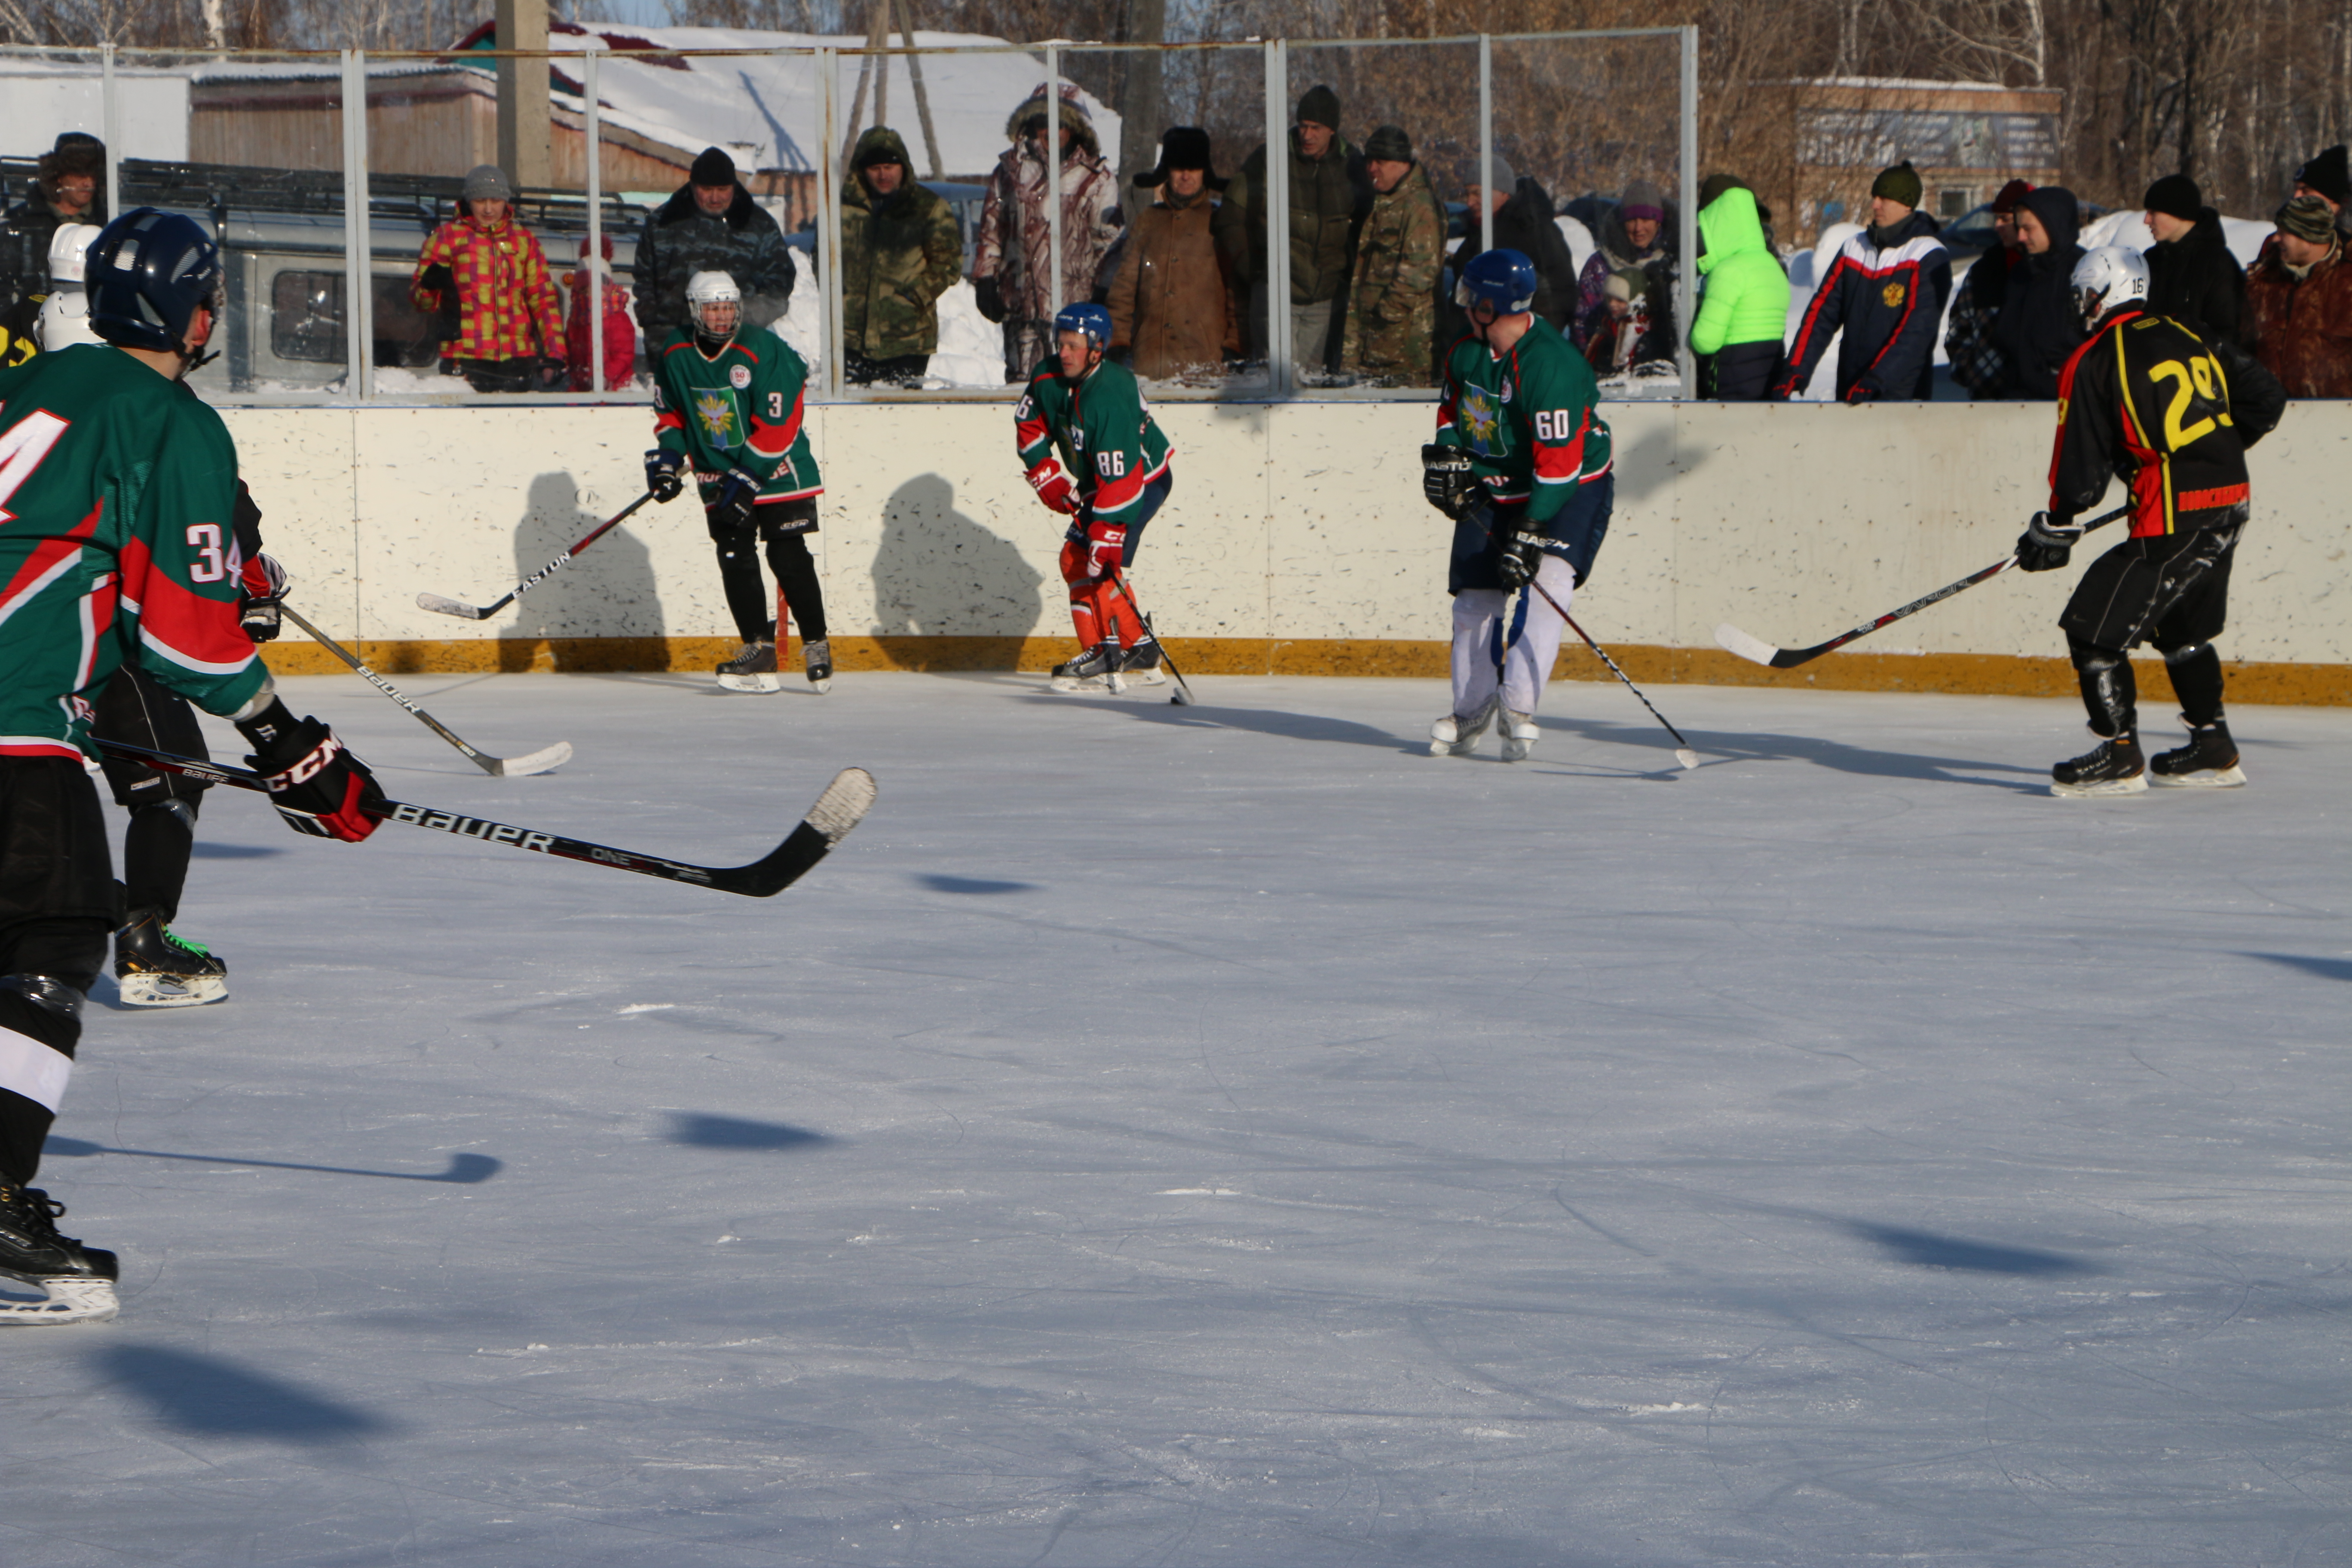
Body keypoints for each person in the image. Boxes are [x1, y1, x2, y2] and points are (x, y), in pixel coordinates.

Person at [0, 208, 384, 1323]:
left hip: (30, 706)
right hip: (15, 728)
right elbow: (182, 639)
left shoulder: (39, 386)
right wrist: (287, 744)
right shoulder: (174, 422)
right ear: (198, 310)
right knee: (60, 930)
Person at [2013, 245, 2285, 797]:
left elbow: (2079, 469)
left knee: (2093, 628)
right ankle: (2212, 747)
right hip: (2230, 498)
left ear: (2101, 293)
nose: (2081, 306)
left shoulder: (2093, 356)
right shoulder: (2188, 331)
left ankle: (2119, 753)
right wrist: (2211, 453)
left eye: (2084, 295)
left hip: (2177, 514)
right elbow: (2265, 399)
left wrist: (2055, 525)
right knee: (2183, 630)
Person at [1419, 248, 1614, 764]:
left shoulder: (1551, 367)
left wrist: (1529, 530)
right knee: (1475, 598)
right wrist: (1448, 458)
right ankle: (1472, 709)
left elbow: (1559, 467)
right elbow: (1451, 408)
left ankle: (1518, 708)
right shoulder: (1467, 351)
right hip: (1497, 483)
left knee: (1547, 583)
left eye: (1470, 299)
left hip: (1570, 485)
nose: (1462, 306)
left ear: (1490, 305)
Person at [645, 272, 830, 693]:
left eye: (727, 306)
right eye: (712, 307)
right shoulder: (676, 353)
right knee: (734, 554)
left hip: (778, 470)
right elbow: (672, 415)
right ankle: (758, 647)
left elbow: (780, 423)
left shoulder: (763, 349)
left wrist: (748, 477)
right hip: (719, 471)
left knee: (787, 556)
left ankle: (816, 642)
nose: (721, 315)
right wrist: (668, 461)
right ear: (695, 310)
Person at [1013, 302, 1175, 692]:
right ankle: (1137, 645)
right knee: (1088, 559)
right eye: (1060, 343)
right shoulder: (1047, 376)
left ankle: (1103, 654)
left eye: (1073, 346)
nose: (1063, 353)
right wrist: (1044, 473)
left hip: (1140, 483)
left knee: (1086, 558)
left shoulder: (1110, 396)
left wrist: (1108, 531)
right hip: (1103, 482)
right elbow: (1029, 423)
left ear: (1097, 349)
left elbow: (1122, 481)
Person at [1216, 85, 1369, 379]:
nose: (1307, 135)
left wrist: (1346, 272)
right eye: (1303, 126)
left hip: (1325, 297)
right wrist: (1254, 269)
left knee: (1310, 389)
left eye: (1316, 128)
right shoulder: (1269, 159)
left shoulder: (1352, 165)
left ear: (1332, 130)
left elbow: (1364, 225)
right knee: (1274, 383)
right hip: (1276, 293)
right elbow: (1231, 216)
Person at [972, 84, 1121, 384]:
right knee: (1025, 397)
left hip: (1075, 315)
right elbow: (992, 230)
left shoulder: (1096, 178)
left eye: (1060, 124)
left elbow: (1109, 244)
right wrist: (986, 279)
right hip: (1022, 311)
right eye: (1043, 123)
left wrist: (1104, 294)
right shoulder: (1009, 172)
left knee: (1075, 397)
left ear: (1075, 127)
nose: (1050, 132)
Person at [1772, 160, 1948, 401]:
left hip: (1900, 397)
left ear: (1906, 204)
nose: (1875, 205)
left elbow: (1916, 332)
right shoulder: (1854, 247)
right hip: (1852, 389)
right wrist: (1796, 368)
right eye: (1875, 197)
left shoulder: (1927, 254)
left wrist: (1877, 380)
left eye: (1884, 199)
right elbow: (1823, 313)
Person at [409, 165, 567, 393]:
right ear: (469, 200)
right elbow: (420, 304)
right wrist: (429, 285)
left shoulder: (524, 241)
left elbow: (543, 300)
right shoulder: (447, 238)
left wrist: (555, 354)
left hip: (518, 357)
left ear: (506, 201)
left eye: (496, 201)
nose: (489, 209)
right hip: (464, 357)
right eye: (481, 201)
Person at [631, 147, 797, 354]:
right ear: (693, 186)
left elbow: (780, 283)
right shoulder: (663, 223)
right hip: (673, 342)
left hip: (738, 345)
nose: (715, 197)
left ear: (734, 187)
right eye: (707, 189)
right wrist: (653, 320)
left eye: (723, 189)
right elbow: (644, 278)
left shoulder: (758, 225)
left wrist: (741, 319)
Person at [1109, 127, 1240, 383]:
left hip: (1205, 362)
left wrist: (1234, 344)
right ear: (1167, 171)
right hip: (1150, 363)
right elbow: (1123, 288)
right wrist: (1119, 337)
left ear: (1205, 172)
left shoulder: (1222, 221)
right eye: (1179, 168)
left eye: (1194, 169)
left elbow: (1238, 291)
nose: (1186, 176)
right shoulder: (1148, 220)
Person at [839, 126, 962, 388]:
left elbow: (948, 263)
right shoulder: (843, 211)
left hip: (907, 337)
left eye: (889, 167)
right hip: (851, 336)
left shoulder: (928, 208)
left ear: (903, 167)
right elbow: (823, 257)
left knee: (900, 414)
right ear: (862, 170)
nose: (883, 175)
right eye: (875, 168)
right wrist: (841, 294)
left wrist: (914, 296)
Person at [1340, 125, 1445, 386]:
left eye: (1381, 161)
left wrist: (1385, 318)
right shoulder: (1384, 201)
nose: (1372, 168)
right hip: (1373, 345)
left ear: (1402, 164)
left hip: (1400, 351)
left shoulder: (1418, 205)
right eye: (1370, 161)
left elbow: (1419, 272)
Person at [1451, 155, 1579, 333]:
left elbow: (1561, 291)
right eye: (1467, 194)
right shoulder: (1476, 234)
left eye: (1477, 193)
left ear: (1503, 193)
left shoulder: (1533, 229)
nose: (1469, 202)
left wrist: (1535, 339)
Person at [0, 132, 104, 352]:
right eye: (78, 173)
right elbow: (3, 289)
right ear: (58, 175)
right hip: (26, 343)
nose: (88, 182)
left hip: (94, 341)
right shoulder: (19, 224)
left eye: (93, 173)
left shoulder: (110, 226)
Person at [2244, 196, 2352, 399]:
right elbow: (2242, 350)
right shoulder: (2262, 280)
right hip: (2274, 418)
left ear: (2310, 238)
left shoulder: (2346, 283)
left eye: (2284, 232)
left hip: (2340, 421)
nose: (2276, 238)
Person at [1689, 182, 1788, 400]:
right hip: (1771, 379)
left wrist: (1689, 332)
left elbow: (1706, 341)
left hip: (1734, 380)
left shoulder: (1728, 271)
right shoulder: (1773, 266)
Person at [1990, 186, 2086, 398]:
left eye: (2028, 229)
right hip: (2018, 401)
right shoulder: (2022, 273)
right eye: (2019, 228)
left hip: (2067, 404)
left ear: (2054, 225)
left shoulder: (2085, 273)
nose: (2021, 237)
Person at [1945, 178, 2034, 398]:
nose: (1997, 226)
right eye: (1996, 218)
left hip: (2039, 401)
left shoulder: (2048, 270)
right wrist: (1971, 372)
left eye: (2004, 219)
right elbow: (1959, 327)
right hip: (1987, 400)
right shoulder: (1984, 270)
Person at [1571, 178, 1678, 360]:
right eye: (1631, 220)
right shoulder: (1599, 266)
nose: (1638, 228)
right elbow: (1582, 324)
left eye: (1646, 219)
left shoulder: (1673, 261)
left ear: (1658, 222)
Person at [2141, 174, 2246, 348]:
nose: (2146, 220)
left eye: (2154, 212)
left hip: (2200, 371)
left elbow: (2227, 334)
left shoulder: (2217, 262)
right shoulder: (2152, 259)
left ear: (2179, 213)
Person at [566, 232, 637, 391]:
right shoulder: (576, 318)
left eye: (597, 291)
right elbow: (570, 348)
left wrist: (605, 376)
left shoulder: (617, 318)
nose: (590, 297)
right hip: (583, 384)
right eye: (585, 292)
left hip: (614, 385)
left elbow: (624, 354)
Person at [2292, 144, 2350, 238]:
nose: (2296, 196)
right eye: (2296, 190)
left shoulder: (2346, 248)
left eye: (2306, 191)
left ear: (2330, 195)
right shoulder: (2277, 242)